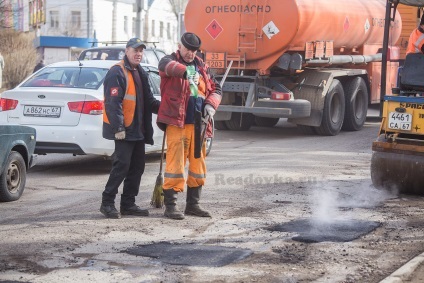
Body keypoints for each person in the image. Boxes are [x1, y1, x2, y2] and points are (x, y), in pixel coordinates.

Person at [157, 32, 222, 220]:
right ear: (180, 46)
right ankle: (171, 206)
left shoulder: (202, 67)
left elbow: (216, 88)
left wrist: (211, 105)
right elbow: (166, 67)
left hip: (198, 123)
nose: (191, 54)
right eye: (188, 49)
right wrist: (186, 72)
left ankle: (193, 205)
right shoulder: (169, 60)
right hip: (177, 122)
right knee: (175, 164)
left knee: (197, 165)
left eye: (194, 51)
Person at [100, 38, 160, 219]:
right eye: (135, 50)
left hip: (138, 131)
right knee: (121, 167)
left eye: (141, 51)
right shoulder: (117, 72)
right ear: (126, 51)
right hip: (124, 131)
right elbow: (113, 103)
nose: (138, 53)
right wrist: (118, 128)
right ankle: (107, 203)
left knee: (137, 168)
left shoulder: (140, 72)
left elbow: (149, 101)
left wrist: (167, 112)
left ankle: (128, 204)